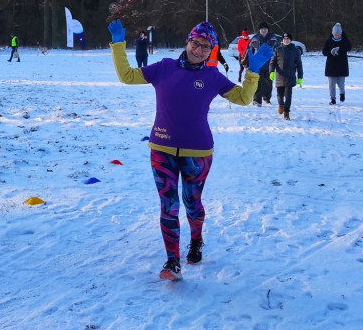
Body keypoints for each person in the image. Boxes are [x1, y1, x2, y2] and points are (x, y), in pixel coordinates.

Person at [107, 18, 273, 281]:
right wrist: (118, 44)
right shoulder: (164, 68)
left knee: (192, 203)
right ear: (187, 41)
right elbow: (127, 77)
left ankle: (196, 240)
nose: (199, 50)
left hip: (198, 154)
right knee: (169, 205)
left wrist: (252, 73)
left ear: (212, 51)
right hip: (161, 148)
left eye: (206, 47)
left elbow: (243, 99)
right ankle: (172, 261)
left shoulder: (212, 75)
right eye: (196, 43)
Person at [272, 31, 303, 120]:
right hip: (279, 76)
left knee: (288, 96)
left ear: (290, 40)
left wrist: (300, 77)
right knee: (279, 95)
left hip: (290, 77)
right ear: (282, 40)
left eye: (287, 39)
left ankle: (286, 112)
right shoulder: (277, 49)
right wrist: (271, 71)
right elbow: (272, 62)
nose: (286, 40)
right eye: (284, 39)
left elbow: (299, 64)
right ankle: (281, 105)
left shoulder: (295, 50)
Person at [322, 22, 352, 104]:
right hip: (331, 66)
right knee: (331, 84)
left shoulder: (345, 40)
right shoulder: (329, 41)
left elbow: (349, 47)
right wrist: (330, 52)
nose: (337, 36)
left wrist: (340, 49)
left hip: (342, 65)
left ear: (341, 34)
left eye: (338, 34)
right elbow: (324, 52)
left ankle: (342, 93)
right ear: (333, 34)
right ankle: (333, 99)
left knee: (341, 83)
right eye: (335, 34)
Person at [249, 23, 278, 106]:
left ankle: (267, 98)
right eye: (262, 29)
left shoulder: (273, 38)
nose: (263, 30)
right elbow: (250, 51)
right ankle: (257, 100)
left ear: (268, 29)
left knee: (268, 83)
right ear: (259, 30)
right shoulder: (255, 39)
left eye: (265, 28)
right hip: (258, 65)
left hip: (270, 64)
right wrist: (246, 62)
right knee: (258, 82)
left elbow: (278, 50)